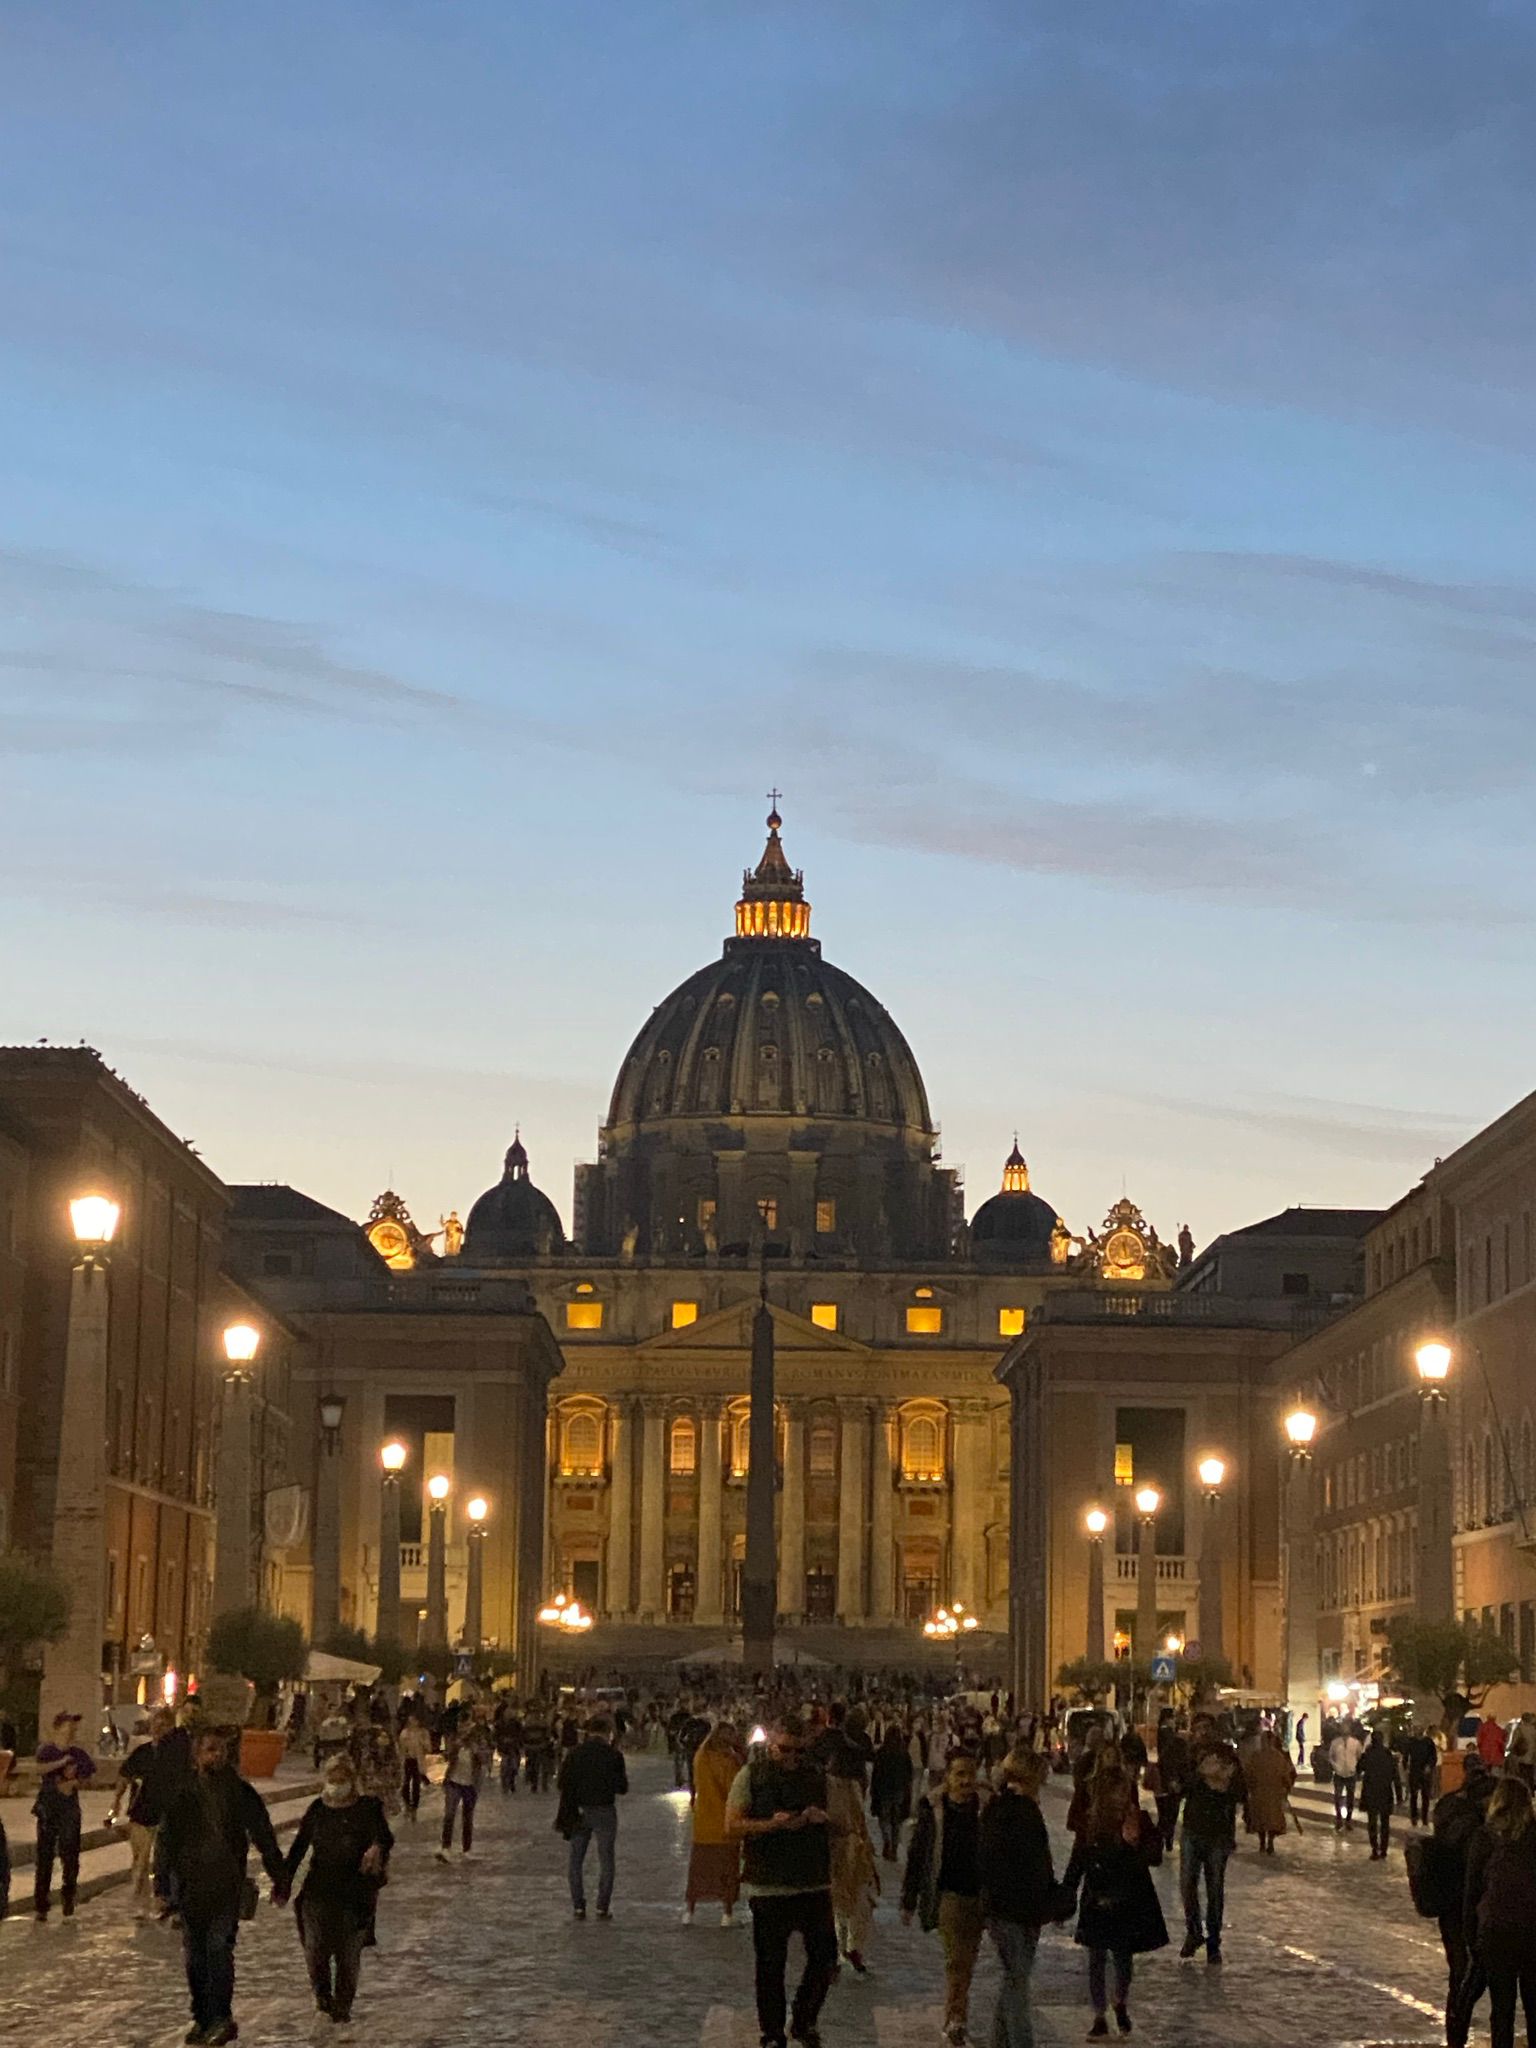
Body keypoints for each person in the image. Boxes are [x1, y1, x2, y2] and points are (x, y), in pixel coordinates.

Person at [160, 1725, 288, 2047]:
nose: (216, 1756)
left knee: (218, 1950)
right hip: (191, 1888)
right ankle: (202, 2017)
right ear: (197, 1755)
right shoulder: (183, 1793)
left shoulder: (240, 1793)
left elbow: (263, 1835)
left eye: (221, 1750)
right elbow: (166, 1841)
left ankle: (221, 2018)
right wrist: (162, 1887)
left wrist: (280, 1878)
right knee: (195, 1958)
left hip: (226, 1887)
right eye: (210, 1750)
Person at [726, 1712, 839, 2048]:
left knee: (825, 1958)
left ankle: (803, 2019)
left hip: (813, 1881)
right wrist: (770, 1824)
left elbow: (844, 1823)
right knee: (770, 1965)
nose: (791, 1758)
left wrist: (823, 1819)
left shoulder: (817, 1776)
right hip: (769, 1884)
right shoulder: (751, 1775)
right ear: (771, 1744)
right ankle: (772, 2033)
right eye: (785, 1749)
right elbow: (731, 1825)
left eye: (798, 1751)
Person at [282, 1751, 393, 2025]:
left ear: (352, 1780)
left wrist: (376, 1848)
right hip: (318, 1892)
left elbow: (385, 1836)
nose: (337, 1784)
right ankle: (323, 2001)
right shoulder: (317, 1810)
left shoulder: (368, 1807)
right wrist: (282, 1883)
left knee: (347, 1955)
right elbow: (298, 1849)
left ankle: (342, 2009)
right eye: (332, 1779)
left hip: (356, 1894)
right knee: (316, 1950)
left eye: (342, 1779)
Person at [1063, 1763, 1168, 2039]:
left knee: (1123, 1957)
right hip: (1098, 1897)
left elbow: (1155, 1857)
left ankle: (1120, 2000)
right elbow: (1078, 1860)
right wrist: (1065, 1895)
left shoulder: (1138, 1819)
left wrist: (1135, 1843)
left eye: (1123, 1791)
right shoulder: (1090, 1823)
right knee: (1096, 1959)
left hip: (1127, 1898)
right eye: (1114, 1792)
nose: (1119, 1798)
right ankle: (1099, 2015)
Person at [903, 1751, 991, 2047]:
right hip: (948, 1895)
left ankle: (957, 2012)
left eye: (970, 1774)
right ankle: (955, 2018)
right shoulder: (934, 1810)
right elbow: (918, 1854)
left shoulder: (986, 1807)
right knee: (957, 1960)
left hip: (979, 1895)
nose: (965, 1781)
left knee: (968, 1959)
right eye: (959, 1774)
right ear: (948, 1777)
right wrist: (909, 1898)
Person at [978, 1747, 1059, 2048]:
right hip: (1016, 1909)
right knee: (1017, 1982)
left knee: (1013, 1979)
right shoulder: (1020, 1811)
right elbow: (1034, 1864)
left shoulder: (999, 1807)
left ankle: (998, 2042)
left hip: (1008, 1908)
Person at [1463, 1775, 1536, 2048]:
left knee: (1502, 2009)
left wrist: (1472, 1938)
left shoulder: (1486, 1836)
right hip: (1532, 1930)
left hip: (1496, 1932)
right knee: (1534, 2007)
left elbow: (1472, 1892)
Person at [1431, 1750, 1495, 2048]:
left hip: (1452, 1904)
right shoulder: (1480, 1826)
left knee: (1459, 1976)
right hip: (1473, 1905)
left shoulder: (1448, 1807)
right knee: (1485, 1981)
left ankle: (1455, 2036)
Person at [108, 1707, 189, 1918]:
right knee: (141, 1860)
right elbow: (125, 1775)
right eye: (155, 1724)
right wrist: (115, 1802)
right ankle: (142, 1901)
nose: (158, 1729)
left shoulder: (179, 1753)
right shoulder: (142, 1752)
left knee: (167, 1860)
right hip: (143, 1812)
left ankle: (167, 1900)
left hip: (170, 1813)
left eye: (164, 1725)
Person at [1178, 1711, 1244, 1965]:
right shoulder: (1189, 1756)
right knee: (1187, 1884)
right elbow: (1180, 1786)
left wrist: (1222, 1780)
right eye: (1198, 1728)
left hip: (1218, 1831)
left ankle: (1214, 1942)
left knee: (1215, 1887)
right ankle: (1194, 1931)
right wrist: (1203, 1774)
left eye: (1207, 1727)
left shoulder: (1227, 1755)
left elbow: (1240, 1789)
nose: (1203, 1732)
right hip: (1193, 1828)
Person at [558, 1713, 629, 1920]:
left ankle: (578, 1906)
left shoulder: (575, 1754)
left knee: (576, 1860)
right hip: (604, 1810)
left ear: (588, 1732)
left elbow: (562, 1783)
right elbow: (622, 1787)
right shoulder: (614, 1755)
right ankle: (602, 1907)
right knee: (606, 1860)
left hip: (579, 1810)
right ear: (608, 1733)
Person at [33, 1708, 96, 1920]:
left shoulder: (79, 1754)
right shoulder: (47, 1751)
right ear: (58, 1728)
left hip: (69, 1808)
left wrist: (74, 1783)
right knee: (44, 1857)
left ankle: (68, 1897)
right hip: (48, 1808)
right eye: (68, 1726)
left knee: (70, 1855)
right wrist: (61, 1763)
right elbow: (39, 1769)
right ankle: (41, 1905)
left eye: (73, 1727)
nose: (72, 1731)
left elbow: (89, 1777)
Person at [826, 1724, 879, 1974]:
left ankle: (850, 1948)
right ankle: (841, 1950)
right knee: (841, 1903)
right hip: (839, 1850)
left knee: (857, 1903)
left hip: (854, 1851)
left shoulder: (850, 1786)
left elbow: (859, 1820)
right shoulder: (829, 1786)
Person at [685, 1720, 745, 1924]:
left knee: (698, 1871)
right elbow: (734, 1790)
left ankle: (689, 1911)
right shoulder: (729, 1761)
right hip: (724, 1824)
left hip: (703, 1823)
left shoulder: (700, 1756)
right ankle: (727, 1914)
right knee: (727, 1871)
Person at [434, 1706, 492, 1863]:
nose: (463, 1728)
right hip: (453, 1781)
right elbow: (447, 1756)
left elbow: (485, 1759)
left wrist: (476, 1750)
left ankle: (467, 1849)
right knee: (449, 1814)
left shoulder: (478, 1739)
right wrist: (454, 1747)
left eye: (465, 1725)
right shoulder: (454, 1738)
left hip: (471, 1783)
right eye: (460, 1725)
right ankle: (445, 1848)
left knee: (467, 1816)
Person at [1243, 1728, 1295, 1855]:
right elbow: (1286, 1774)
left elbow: (1248, 1774)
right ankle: (1268, 1842)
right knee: (1269, 1819)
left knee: (1263, 1818)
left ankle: (1264, 1843)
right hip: (1269, 1793)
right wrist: (1287, 1787)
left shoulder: (1259, 1756)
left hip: (1264, 1792)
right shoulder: (1275, 1757)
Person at [871, 1722, 915, 1862]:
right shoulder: (904, 1753)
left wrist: (873, 1790)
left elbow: (876, 1773)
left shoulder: (882, 1752)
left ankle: (886, 1840)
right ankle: (894, 1847)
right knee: (896, 1820)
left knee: (884, 1818)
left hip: (884, 1790)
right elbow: (909, 1774)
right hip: (898, 1790)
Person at [1359, 1728, 1402, 1860]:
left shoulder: (1368, 1754)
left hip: (1371, 1792)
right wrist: (1399, 1795)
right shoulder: (1388, 1755)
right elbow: (1395, 1776)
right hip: (1385, 1792)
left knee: (1372, 1822)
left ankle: (1374, 1849)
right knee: (1385, 1823)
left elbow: (1359, 1768)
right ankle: (1383, 1849)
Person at [1151, 1714, 1189, 1853]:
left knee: (1163, 1816)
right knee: (1171, 1816)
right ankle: (1167, 1840)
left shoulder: (1165, 1750)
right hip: (1172, 1788)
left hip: (1161, 1787)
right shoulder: (1180, 1746)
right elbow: (1184, 1767)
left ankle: (1161, 1840)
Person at [1329, 1726, 1363, 1830]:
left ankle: (1349, 1819)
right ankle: (1338, 1818)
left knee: (1350, 1797)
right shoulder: (1335, 1743)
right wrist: (1335, 1766)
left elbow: (1359, 1756)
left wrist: (1355, 1767)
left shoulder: (1355, 1743)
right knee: (1337, 1797)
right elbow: (1331, 1756)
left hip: (1351, 1773)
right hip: (1339, 1773)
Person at [1404, 1727, 1438, 1827]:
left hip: (1425, 1772)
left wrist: (1429, 1766)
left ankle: (1424, 1818)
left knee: (1425, 1796)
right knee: (1413, 1795)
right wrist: (1406, 1767)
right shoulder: (1411, 1742)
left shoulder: (1428, 1742)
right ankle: (1414, 1817)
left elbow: (1433, 1756)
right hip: (1414, 1771)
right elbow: (1406, 1756)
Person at [398, 1714, 429, 1820]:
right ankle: (407, 1804)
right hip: (407, 1760)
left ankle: (414, 1807)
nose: (412, 1724)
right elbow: (401, 1748)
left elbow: (428, 1748)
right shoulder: (404, 1733)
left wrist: (421, 1742)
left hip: (417, 1760)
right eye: (410, 1721)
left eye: (413, 1721)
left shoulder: (423, 1733)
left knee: (416, 1785)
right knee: (405, 1783)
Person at [493, 1696, 523, 1795]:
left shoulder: (516, 1724)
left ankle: (511, 1781)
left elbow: (521, 1734)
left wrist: (518, 1743)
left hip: (514, 1748)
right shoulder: (499, 1724)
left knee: (514, 1766)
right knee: (505, 1766)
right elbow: (496, 1735)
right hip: (504, 1748)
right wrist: (499, 1741)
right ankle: (505, 1784)